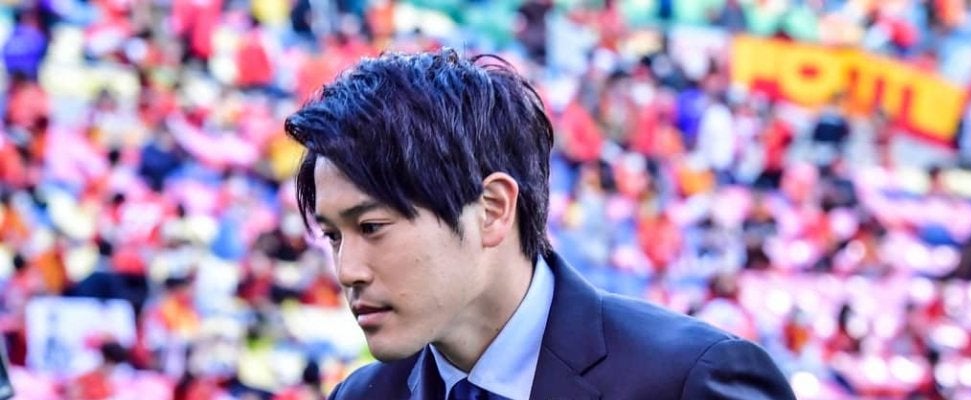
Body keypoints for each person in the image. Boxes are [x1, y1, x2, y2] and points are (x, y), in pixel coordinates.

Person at [284, 49, 796, 399]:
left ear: (492, 209)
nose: (347, 270)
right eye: (333, 236)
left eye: (372, 226)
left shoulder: (689, 381)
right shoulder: (362, 394)